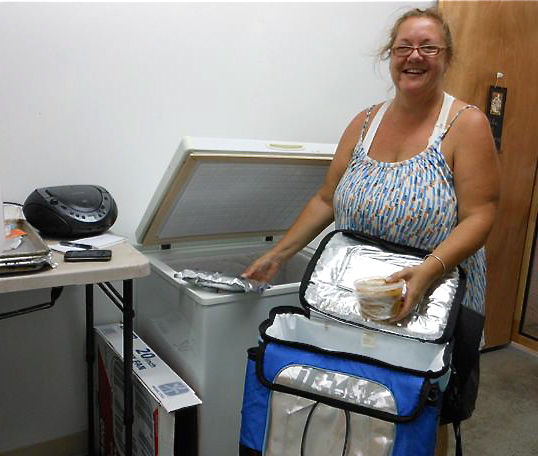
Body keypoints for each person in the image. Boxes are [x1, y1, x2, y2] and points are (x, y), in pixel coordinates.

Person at [242, 6, 500, 455]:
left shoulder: (466, 125)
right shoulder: (364, 122)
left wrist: (428, 272)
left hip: (434, 296)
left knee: (419, 406)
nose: (414, 56)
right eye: (404, 47)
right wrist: (279, 253)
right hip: (359, 296)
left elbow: (481, 214)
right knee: (358, 400)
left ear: (446, 57)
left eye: (427, 47)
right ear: (390, 55)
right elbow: (327, 197)